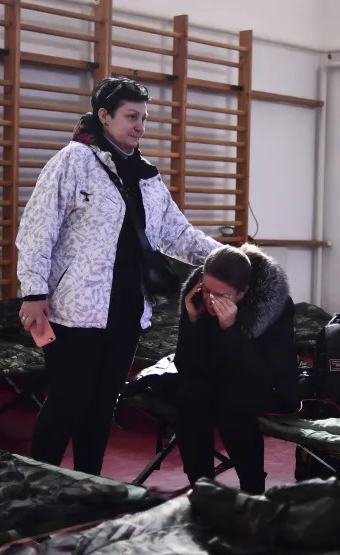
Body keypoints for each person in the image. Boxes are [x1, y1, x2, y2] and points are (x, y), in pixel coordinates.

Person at [15, 76, 221, 476]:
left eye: (143, 118)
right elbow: (38, 231)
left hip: (127, 308)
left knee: (103, 403)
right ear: (104, 116)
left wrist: (231, 257)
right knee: (68, 401)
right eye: (131, 116)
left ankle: (91, 483)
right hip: (75, 310)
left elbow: (178, 234)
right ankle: (38, 484)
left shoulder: (145, 174)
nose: (140, 126)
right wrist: (33, 292)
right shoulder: (72, 162)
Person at [173, 243, 300, 494]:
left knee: (232, 403)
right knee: (189, 395)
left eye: (222, 296)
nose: (211, 299)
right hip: (221, 377)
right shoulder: (198, 298)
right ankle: (202, 488)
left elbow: (263, 373)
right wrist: (193, 322)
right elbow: (186, 366)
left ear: (244, 292)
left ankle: (253, 490)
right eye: (207, 289)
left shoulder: (275, 306)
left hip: (269, 383)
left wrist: (231, 329)